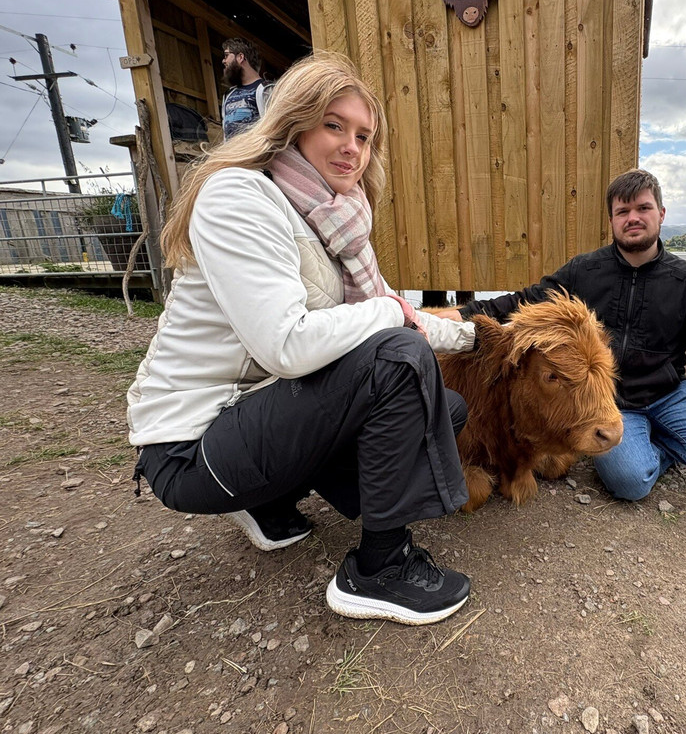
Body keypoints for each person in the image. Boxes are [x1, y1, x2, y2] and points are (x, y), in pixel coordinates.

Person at [128, 53, 477, 626]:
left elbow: (397, 309)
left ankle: (269, 498)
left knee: (446, 407)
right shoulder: (239, 198)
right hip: (191, 446)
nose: (352, 148)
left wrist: (479, 337)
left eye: (364, 136)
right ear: (294, 122)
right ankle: (378, 572)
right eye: (334, 126)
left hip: (254, 415)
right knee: (398, 363)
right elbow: (286, 346)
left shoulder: (335, 219)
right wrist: (389, 318)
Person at [438, 169, 686, 501]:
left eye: (643, 209)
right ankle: (655, 448)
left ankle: (656, 442)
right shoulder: (584, 270)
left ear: (660, 214)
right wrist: (461, 314)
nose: (633, 218)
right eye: (622, 212)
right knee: (630, 482)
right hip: (609, 401)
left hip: (670, 393)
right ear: (612, 220)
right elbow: (522, 300)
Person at [221, 38, 271, 139]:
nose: (223, 61)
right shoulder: (228, 94)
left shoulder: (266, 90)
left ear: (240, 57)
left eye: (226, 55)